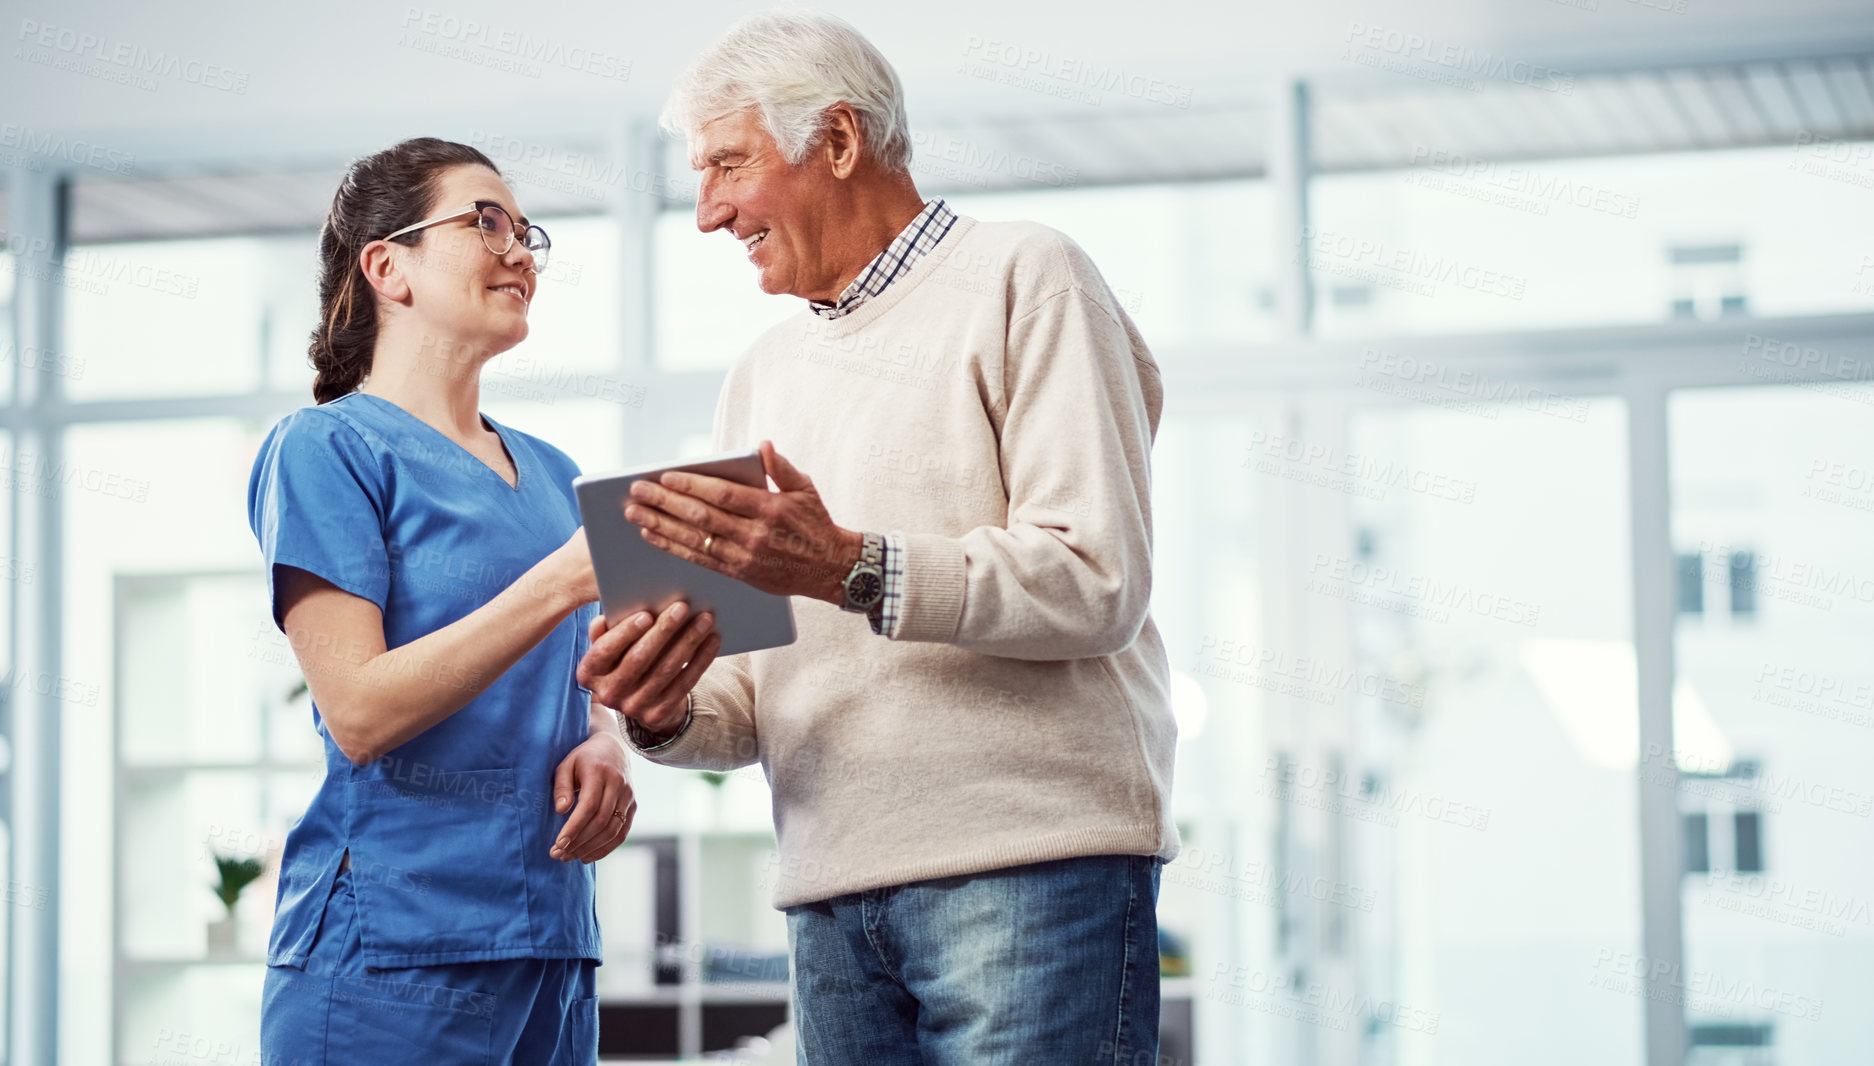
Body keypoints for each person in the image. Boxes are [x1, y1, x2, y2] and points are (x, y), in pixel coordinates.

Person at [577, 12, 1179, 1064]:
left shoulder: (1027, 277)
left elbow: (1095, 576)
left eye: (727, 164)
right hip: (828, 896)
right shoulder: (761, 371)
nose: (707, 213)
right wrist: (665, 707)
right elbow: (755, 697)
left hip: (1030, 873)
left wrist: (848, 563)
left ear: (840, 141)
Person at [247, 137, 709, 1063]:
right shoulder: (325, 450)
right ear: (389, 267)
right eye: (484, 221)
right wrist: (566, 579)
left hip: (551, 945)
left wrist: (608, 742)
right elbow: (361, 712)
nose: (519, 250)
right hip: (391, 955)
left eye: (526, 230)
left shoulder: (556, 476)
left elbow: (578, 683)